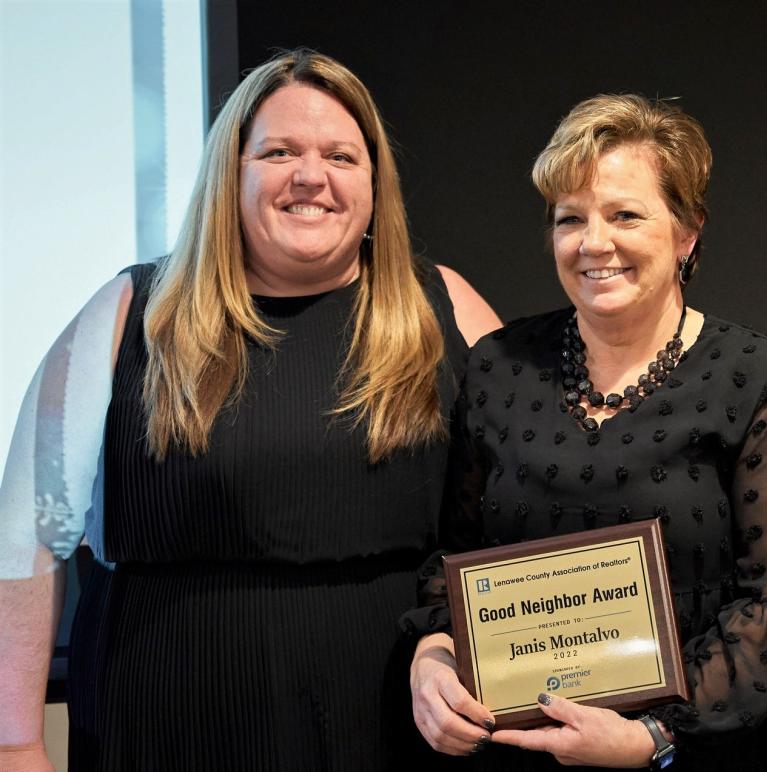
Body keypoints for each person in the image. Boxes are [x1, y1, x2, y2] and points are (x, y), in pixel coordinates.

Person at [0, 48, 500, 771]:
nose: (310, 175)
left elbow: (524, 511)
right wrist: (15, 743)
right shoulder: (133, 314)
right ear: (229, 175)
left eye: (340, 155)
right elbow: (26, 536)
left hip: (400, 719)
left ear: (374, 182)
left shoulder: (443, 308)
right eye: (278, 151)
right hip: (170, 719)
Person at [405, 94, 767, 770]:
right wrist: (431, 660)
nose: (593, 243)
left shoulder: (757, 378)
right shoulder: (499, 368)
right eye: (569, 218)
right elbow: (449, 569)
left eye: (625, 215)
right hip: (526, 750)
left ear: (688, 232)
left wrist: (651, 736)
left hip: (705, 756)